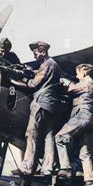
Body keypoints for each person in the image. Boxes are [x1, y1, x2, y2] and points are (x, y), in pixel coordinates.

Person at [11, 41, 62, 176]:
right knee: (48, 135)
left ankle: (27, 166)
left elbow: (34, 83)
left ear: (43, 52)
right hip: (51, 105)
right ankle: (48, 167)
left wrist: (17, 80)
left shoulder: (46, 64)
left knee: (32, 133)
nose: (34, 56)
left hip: (41, 102)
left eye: (35, 53)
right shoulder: (54, 65)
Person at [56, 64, 93, 186]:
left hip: (81, 116)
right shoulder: (92, 84)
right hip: (87, 118)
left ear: (84, 73)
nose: (77, 76)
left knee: (59, 137)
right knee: (84, 152)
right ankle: (90, 182)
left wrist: (63, 80)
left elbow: (70, 90)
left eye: (78, 73)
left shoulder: (87, 83)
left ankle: (66, 168)